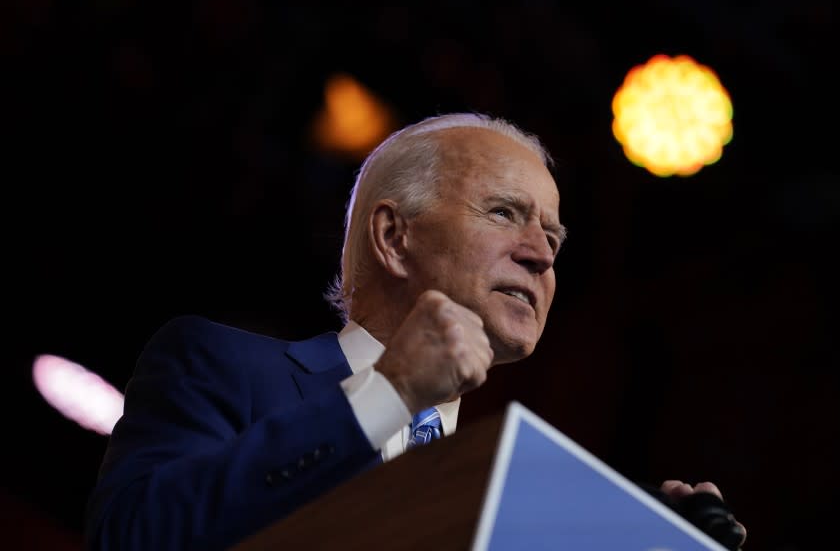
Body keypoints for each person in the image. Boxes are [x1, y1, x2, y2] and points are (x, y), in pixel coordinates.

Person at [85, 113, 745, 550]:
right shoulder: (216, 364)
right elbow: (134, 538)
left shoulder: (529, 510)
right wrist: (389, 392)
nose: (542, 256)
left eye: (552, 235)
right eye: (505, 214)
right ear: (394, 236)